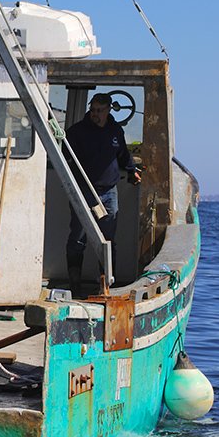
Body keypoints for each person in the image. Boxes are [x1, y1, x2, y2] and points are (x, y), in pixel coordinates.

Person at [65, 93, 140, 296]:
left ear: (108, 110)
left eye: (99, 110)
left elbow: (123, 154)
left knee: (107, 240)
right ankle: (75, 285)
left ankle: (105, 285)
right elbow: (65, 157)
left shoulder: (115, 131)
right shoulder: (76, 132)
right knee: (78, 238)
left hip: (108, 192)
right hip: (83, 191)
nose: (95, 114)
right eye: (93, 110)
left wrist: (132, 170)